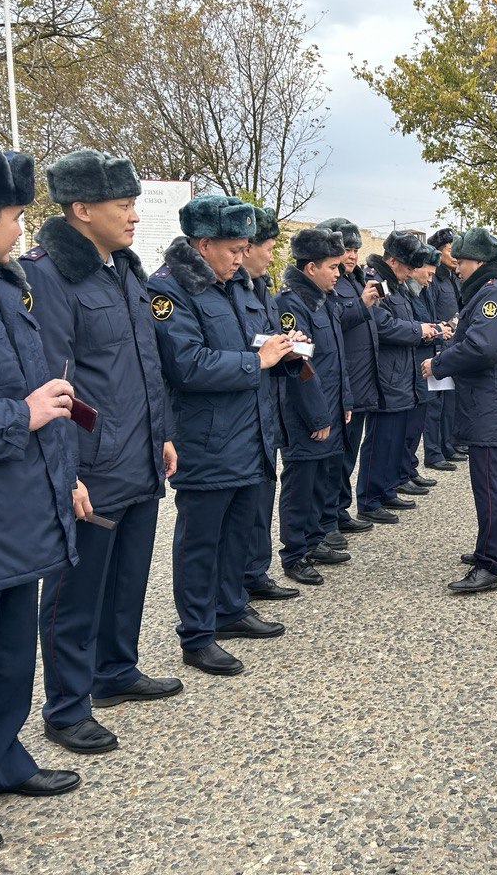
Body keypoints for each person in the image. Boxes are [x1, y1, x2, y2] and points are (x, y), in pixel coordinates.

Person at [22, 149, 182, 756]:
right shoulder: (49, 275)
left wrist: (161, 434)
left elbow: (145, 365)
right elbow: (51, 382)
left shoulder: (124, 269)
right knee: (75, 591)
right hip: (90, 461)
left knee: (129, 578)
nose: (135, 216)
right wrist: (65, 471)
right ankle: (66, 706)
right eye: (124, 206)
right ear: (82, 208)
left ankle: (117, 670)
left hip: (137, 455)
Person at [0, 140, 82, 857]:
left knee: (10, 656)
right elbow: (24, 405)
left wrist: (64, 471)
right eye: (10, 216)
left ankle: (1, 759)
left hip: (17, 509)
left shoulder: (6, 285)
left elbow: (44, 389)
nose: (19, 230)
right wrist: (22, 417)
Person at [148, 195, 292, 677]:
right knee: (199, 541)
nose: (240, 257)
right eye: (233, 248)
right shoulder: (169, 290)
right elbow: (186, 364)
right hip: (206, 438)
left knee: (239, 532)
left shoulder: (235, 285)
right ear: (203, 243)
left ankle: (230, 609)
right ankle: (196, 634)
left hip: (249, 432)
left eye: (245, 247)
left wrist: (279, 353)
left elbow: (253, 341)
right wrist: (259, 360)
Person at [423, 227, 497, 593]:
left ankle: (490, 564)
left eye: (462, 261)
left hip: (491, 405)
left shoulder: (494, 296)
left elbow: (482, 347)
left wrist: (439, 364)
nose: (457, 268)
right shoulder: (496, 292)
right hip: (495, 403)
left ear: (480, 262)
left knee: (489, 483)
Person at [275, 229, 353, 587]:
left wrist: (345, 401)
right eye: (332, 267)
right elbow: (300, 365)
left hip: (331, 406)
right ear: (310, 268)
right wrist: (318, 414)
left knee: (323, 479)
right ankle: (294, 554)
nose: (338, 274)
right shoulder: (291, 305)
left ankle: (316, 539)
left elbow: (337, 358)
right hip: (307, 413)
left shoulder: (325, 299)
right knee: (301, 483)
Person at [237, 207, 301, 602]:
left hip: (264, 405)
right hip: (241, 409)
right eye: (268, 247)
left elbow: (268, 336)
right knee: (244, 505)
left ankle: (255, 572)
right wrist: (266, 353)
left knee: (263, 494)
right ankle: (240, 583)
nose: (271, 256)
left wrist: (287, 347)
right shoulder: (232, 287)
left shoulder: (261, 286)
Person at [357, 233, 438, 522]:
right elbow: (382, 325)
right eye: (405, 268)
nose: (408, 275)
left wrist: (420, 326)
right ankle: (369, 498)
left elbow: (400, 320)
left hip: (399, 372)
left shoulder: (395, 283)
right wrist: (418, 331)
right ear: (393, 261)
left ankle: (387, 488)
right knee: (380, 438)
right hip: (384, 374)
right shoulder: (376, 282)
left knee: (393, 438)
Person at [320, 217, 380, 537]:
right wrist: (362, 304)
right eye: (346, 249)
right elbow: (334, 324)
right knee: (335, 457)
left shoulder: (355, 280)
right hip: (344, 382)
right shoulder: (333, 284)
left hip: (359, 381)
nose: (352, 255)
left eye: (355, 249)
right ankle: (327, 517)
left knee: (349, 453)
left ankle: (340, 509)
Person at [400, 246, 450, 496]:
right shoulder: (408, 292)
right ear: (415, 269)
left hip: (426, 360)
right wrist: (431, 331)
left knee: (418, 420)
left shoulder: (423, 291)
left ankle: (409, 469)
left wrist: (438, 332)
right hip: (414, 363)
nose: (430, 279)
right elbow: (412, 327)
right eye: (427, 274)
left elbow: (426, 321)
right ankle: (403, 472)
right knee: (410, 423)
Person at [425, 228, 466, 470]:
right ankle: (433, 452)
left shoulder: (452, 279)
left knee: (448, 402)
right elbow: (430, 313)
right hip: (438, 346)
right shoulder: (434, 279)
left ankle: (447, 446)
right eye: (451, 250)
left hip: (452, 346)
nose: (455, 255)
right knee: (434, 405)